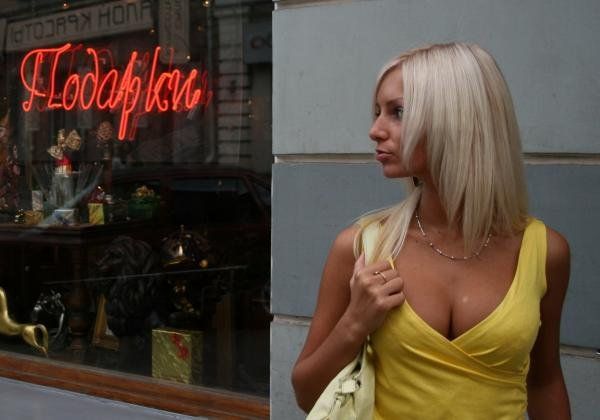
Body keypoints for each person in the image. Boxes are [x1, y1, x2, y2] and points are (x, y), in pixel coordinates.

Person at [291, 42, 571, 419]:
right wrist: (355, 322)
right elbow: (306, 394)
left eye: (398, 112)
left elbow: (544, 381)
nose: (375, 130)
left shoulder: (544, 251)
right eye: (377, 112)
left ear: (457, 118)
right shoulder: (362, 248)